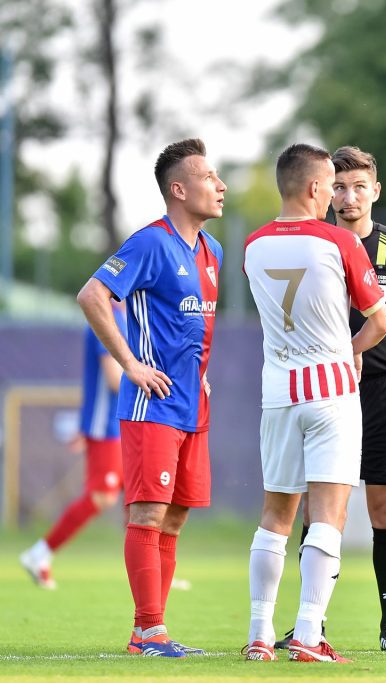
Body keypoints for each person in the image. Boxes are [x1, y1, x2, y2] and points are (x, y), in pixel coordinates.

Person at [272, 146, 386, 653]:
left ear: (376, 191)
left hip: (385, 390)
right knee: (316, 508)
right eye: (340, 187)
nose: (349, 197)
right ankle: (312, 622)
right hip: (324, 388)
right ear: (326, 191)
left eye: (359, 187)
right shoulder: (312, 242)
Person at [76, 138, 225, 657]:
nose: (221, 185)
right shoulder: (149, 242)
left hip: (193, 405)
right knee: (147, 514)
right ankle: (147, 630)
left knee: (176, 517)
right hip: (152, 405)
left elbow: (193, 329)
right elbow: (92, 295)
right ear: (178, 189)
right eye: (208, 177)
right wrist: (131, 365)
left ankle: (154, 631)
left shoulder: (212, 251)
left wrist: (201, 376)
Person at [241, 143, 386, 664]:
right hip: (330, 391)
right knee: (328, 514)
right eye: (330, 185)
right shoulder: (339, 240)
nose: (335, 195)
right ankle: (307, 633)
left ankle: (259, 634)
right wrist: (349, 349)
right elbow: (381, 320)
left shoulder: (253, 245)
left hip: (278, 392)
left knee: (274, 515)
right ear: (312, 187)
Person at [20, 300, 128, 589]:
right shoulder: (107, 316)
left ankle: (152, 571)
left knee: (138, 494)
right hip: (107, 426)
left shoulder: (128, 319)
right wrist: (153, 384)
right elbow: (113, 378)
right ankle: (39, 553)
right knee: (102, 497)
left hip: (124, 424)